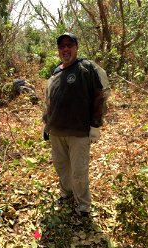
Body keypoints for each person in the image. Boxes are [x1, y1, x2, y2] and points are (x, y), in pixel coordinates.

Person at [43, 33, 109, 217]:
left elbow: (100, 95)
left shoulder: (86, 68)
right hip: (56, 131)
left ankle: (83, 205)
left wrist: (96, 124)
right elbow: (48, 101)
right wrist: (45, 124)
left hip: (79, 132)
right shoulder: (56, 72)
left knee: (79, 170)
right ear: (58, 50)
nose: (65, 49)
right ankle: (66, 193)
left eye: (69, 45)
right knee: (61, 166)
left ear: (76, 47)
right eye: (62, 46)